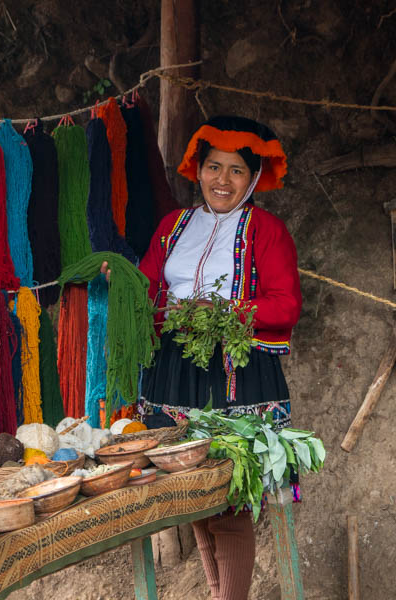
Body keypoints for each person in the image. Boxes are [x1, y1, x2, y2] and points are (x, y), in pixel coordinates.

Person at [137, 116, 302, 600]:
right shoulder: (173, 226)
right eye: (213, 167)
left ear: (253, 177)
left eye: (235, 170)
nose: (222, 180)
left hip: (234, 377)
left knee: (229, 502)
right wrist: (120, 284)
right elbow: (147, 286)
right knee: (195, 499)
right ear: (199, 169)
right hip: (174, 374)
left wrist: (227, 311)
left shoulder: (267, 230)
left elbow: (286, 304)